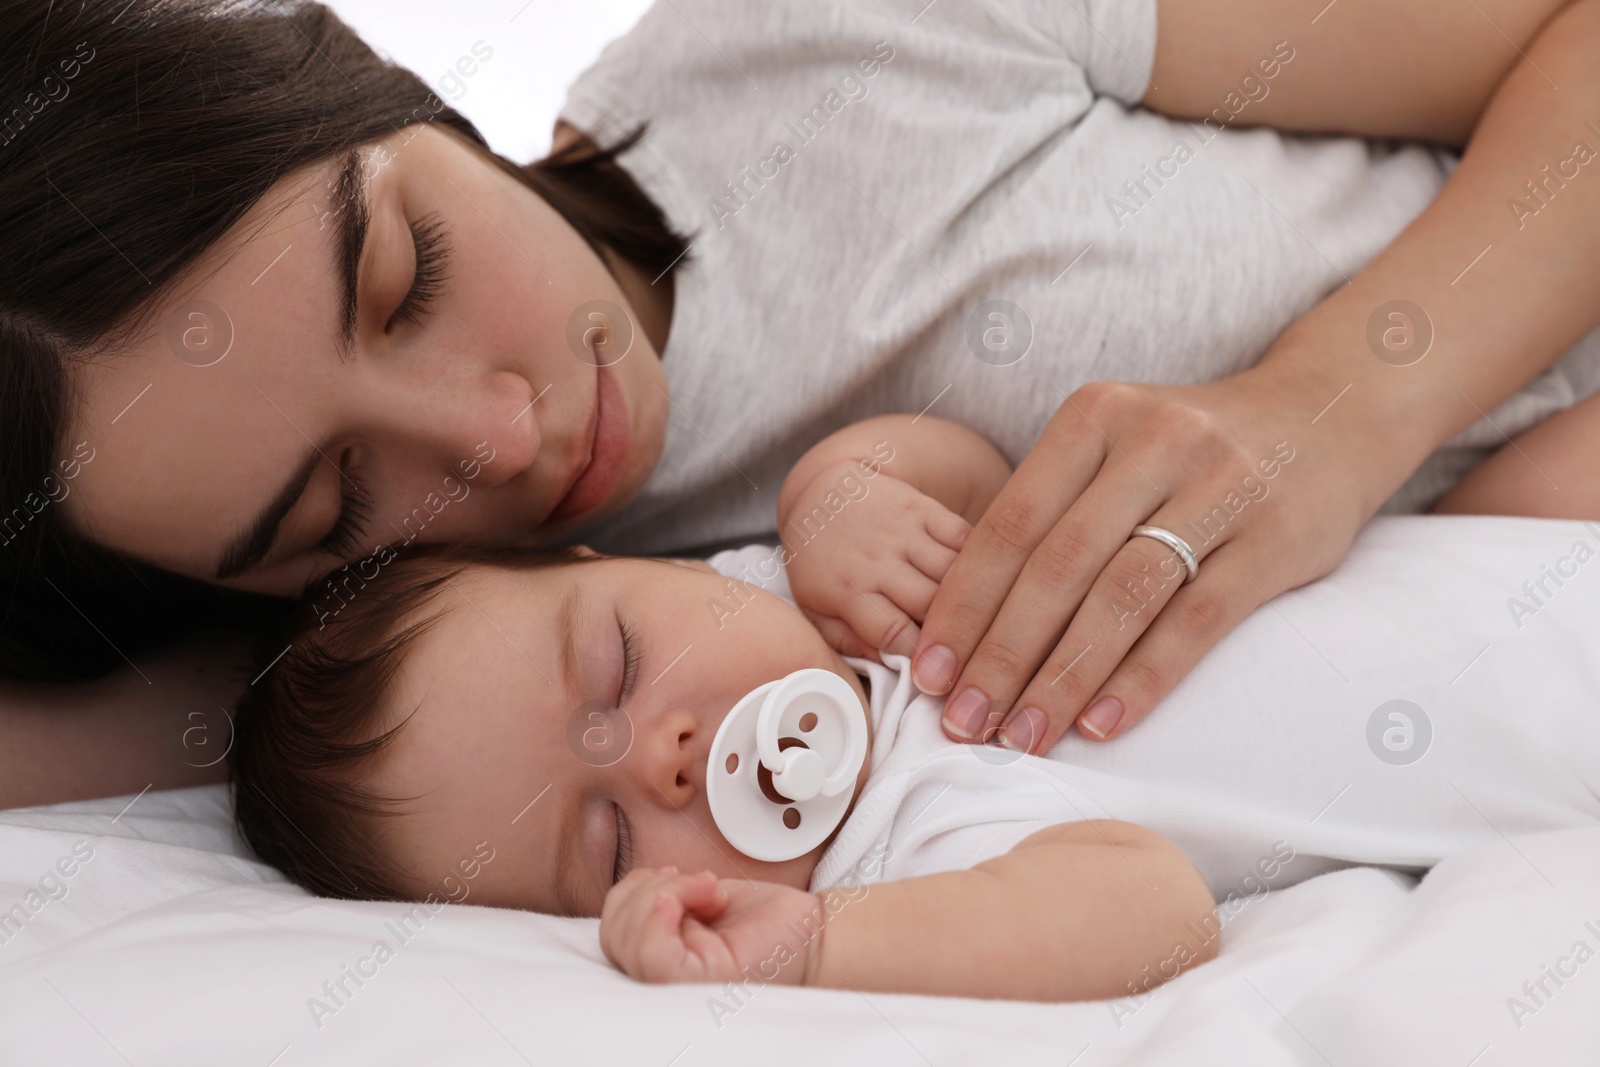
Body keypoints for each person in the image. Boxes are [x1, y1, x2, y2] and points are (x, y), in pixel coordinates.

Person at [7, 0, 1600, 807]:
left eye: (407, 273)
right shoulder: (475, 700)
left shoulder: (821, 42)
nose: (501, 437)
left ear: (375, 80)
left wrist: (1334, 407)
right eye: (334, 501)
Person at [227, 409, 1600, 999]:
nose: (662, 756)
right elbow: (1150, 915)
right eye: (604, 847)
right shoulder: (899, 851)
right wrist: (816, 944)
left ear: (626, 559)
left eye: (620, 670)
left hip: (1474, 540)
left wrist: (842, 487)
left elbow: (973, 462)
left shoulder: (798, 586)